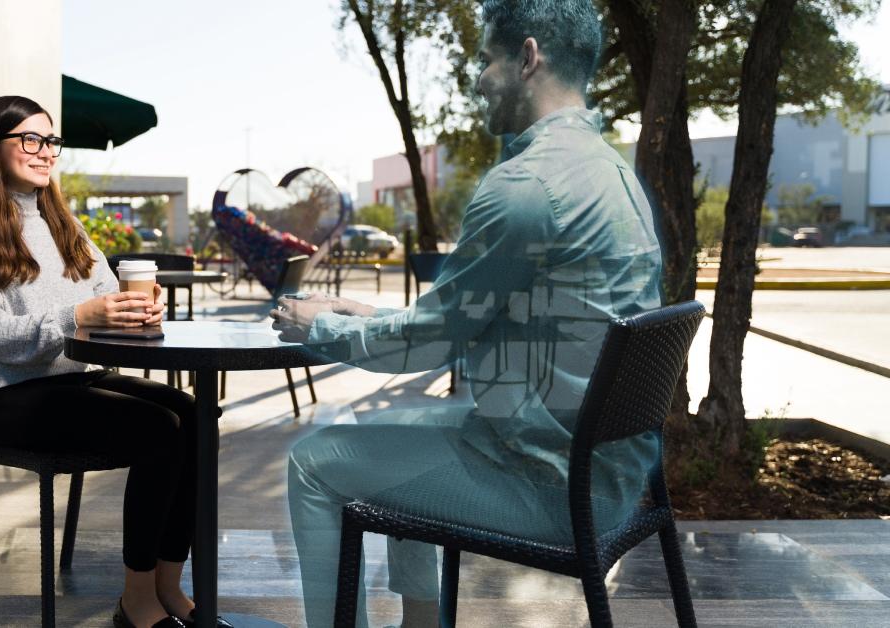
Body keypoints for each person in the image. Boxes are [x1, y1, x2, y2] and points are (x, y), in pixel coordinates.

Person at [270, 1, 665, 626]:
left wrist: (318, 326)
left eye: (485, 59)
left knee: (313, 464)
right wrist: (355, 309)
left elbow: (428, 347)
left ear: (527, 58)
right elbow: (465, 316)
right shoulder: (611, 172)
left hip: (552, 485)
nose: (477, 77)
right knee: (399, 427)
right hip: (606, 469)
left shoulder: (527, 186)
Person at [0, 95, 228, 628]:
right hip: (14, 399)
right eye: (30, 139)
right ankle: (136, 599)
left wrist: (131, 308)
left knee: (195, 416)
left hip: (80, 382)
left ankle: (169, 581)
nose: (45, 151)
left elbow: (105, 293)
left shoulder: (65, 224)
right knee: (158, 428)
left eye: (50, 140)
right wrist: (77, 316)